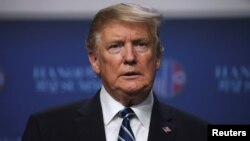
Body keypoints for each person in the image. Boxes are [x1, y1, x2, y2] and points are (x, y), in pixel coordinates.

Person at [22, 3, 208, 141]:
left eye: (140, 44)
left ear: (158, 57)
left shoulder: (198, 133)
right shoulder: (46, 130)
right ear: (95, 61)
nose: (129, 57)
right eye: (115, 46)